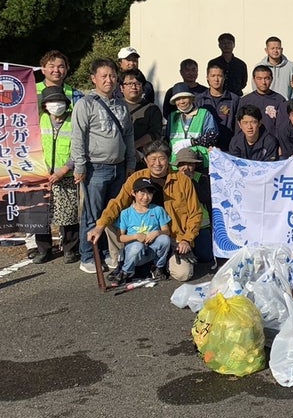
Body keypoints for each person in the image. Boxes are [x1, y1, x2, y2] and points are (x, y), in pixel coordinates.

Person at [90, 145, 200, 283]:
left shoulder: (183, 181)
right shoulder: (137, 177)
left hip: (172, 236)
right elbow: (117, 203)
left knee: (183, 274)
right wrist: (99, 226)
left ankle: (157, 263)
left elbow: (195, 213)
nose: (157, 163)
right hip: (139, 233)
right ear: (146, 161)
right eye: (153, 159)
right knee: (109, 222)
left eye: (162, 158)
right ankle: (122, 261)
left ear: (168, 160)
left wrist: (186, 239)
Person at [71, 60, 132, 274]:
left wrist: (130, 163)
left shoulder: (121, 104)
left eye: (112, 75)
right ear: (93, 78)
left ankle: (108, 252)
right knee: (91, 213)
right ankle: (88, 255)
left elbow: (128, 136)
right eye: (104, 76)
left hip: (119, 167)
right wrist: (79, 166)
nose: (109, 80)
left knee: (113, 213)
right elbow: (77, 138)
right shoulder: (85, 104)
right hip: (95, 168)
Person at [99, 177, 172, 286]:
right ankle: (125, 271)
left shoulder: (157, 210)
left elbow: (166, 231)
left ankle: (158, 268)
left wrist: (157, 233)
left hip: (151, 249)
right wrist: (135, 236)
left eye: (149, 194)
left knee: (164, 239)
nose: (145, 197)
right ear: (134, 193)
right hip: (134, 251)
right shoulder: (126, 213)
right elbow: (120, 237)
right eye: (142, 193)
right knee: (137, 246)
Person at [36, 86, 80, 264]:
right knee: (41, 213)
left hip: (66, 174)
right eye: (52, 102)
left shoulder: (72, 121)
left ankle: (70, 249)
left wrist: (64, 169)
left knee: (68, 212)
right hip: (43, 175)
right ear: (45, 106)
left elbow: (78, 148)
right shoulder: (41, 120)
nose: (57, 105)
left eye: (60, 101)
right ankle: (43, 249)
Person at [172, 147, 213, 274]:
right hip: (179, 230)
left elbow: (205, 198)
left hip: (201, 227)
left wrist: (190, 182)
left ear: (195, 165)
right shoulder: (172, 180)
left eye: (190, 164)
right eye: (183, 164)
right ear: (178, 165)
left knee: (206, 257)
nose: (186, 167)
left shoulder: (202, 178)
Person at [120, 69, 166, 161]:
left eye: (137, 83)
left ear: (143, 87)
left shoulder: (152, 109)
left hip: (142, 157)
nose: (133, 87)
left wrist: (133, 147)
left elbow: (155, 134)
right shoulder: (115, 107)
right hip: (118, 157)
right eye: (129, 84)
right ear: (121, 88)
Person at [165, 90, 218, 161]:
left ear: (192, 99)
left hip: (199, 162)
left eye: (184, 98)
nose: (181, 102)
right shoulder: (172, 116)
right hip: (175, 163)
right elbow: (167, 139)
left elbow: (212, 137)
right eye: (178, 99)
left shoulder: (204, 114)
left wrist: (191, 142)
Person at [239, 66, 289, 133]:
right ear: (254, 79)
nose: (263, 82)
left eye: (266, 78)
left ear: (271, 79)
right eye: (259, 78)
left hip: (273, 141)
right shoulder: (245, 101)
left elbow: (283, 126)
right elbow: (239, 126)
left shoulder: (279, 100)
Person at [199, 65, 237, 145]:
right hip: (205, 148)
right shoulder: (200, 100)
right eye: (213, 76)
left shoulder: (234, 99)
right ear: (207, 78)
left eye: (219, 76)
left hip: (228, 147)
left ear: (224, 77)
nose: (216, 79)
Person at [206, 32, 249, 97]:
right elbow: (210, 80)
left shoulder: (241, 64)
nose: (226, 45)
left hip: (236, 96)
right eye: (224, 43)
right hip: (218, 96)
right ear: (219, 45)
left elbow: (243, 82)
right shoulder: (213, 63)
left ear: (234, 45)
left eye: (229, 43)